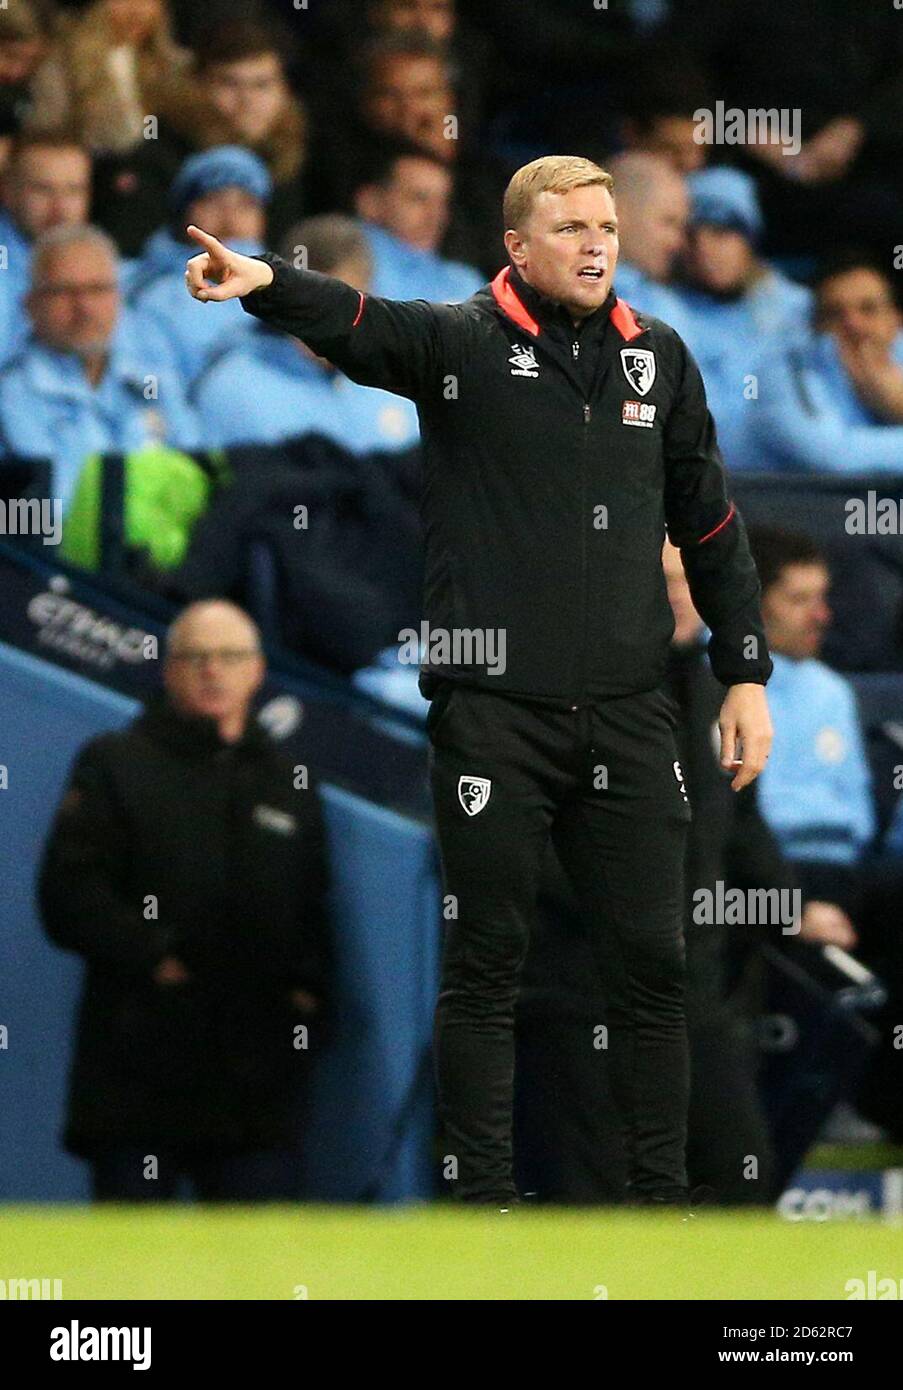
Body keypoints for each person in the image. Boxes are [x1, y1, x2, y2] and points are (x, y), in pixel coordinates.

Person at [185, 152, 774, 1209]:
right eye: (571, 228)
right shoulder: (459, 339)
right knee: (488, 959)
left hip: (635, 708)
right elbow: (361, 319)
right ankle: (482, 1206)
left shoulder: (662, 359)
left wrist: (744, 674)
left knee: (655, 962)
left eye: (606, 225)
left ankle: (663, 1206)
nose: (597, 243)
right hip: (493, 709)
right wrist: (265, 280)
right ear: (517, 245)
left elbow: (713, 522)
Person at [39, 599, 332, 1201]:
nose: (213, 671)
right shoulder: (115, 763)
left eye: (230, 657)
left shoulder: (289, 781)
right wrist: (155, 956)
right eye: (196, 657)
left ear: (257, 671)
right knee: (130, 1279)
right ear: (168, 669)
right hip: (138, 1073)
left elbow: (314, 915)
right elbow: (68, 893)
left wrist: (307, 1001)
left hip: (255, 1086)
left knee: (259, 1280)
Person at [0, 223, 197, 512]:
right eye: (65, 292)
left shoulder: (155, 381)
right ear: (32, 304)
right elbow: (56, 509)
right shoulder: (12, 397)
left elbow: (198, 474)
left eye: (98, 289)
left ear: (118, 297)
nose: (85, 308)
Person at [193, 215, 419, 452]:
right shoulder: (233, 391)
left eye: (358, 304)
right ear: (293, 297)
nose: (347, 322)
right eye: (332, 307)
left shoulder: (392, 383)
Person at [675, 167, 812, 472]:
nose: (704, 249)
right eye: (691, 235)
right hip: (728, 487)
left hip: (820, 482)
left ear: (749, 239)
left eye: (721, 232)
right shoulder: (669, 314)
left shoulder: (803, 308)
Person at [741, 253, 903, 475]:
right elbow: (834, 457)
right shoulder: (781, 375)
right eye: (835, 314)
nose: (853, 324)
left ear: (895, 319)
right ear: (815, 325)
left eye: (868, 309)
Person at [127, 145, 270, 382]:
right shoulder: (152, 295)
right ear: (186, 213)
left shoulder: (285, 287)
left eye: (245, 204)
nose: (229, 216)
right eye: (214, 201)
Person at [0, 132, 92, 366]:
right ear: (8, 192)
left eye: (73, 190)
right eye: (43, 189)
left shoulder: (109, 268)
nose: (60, 207)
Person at [352, 139, 483, 302]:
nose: (436, 215)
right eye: (419, 198)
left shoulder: (464, 281)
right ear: (370, 202)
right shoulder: (346, 257)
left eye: (443, 202)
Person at [605, 152, 697, 343]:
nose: (677, 242)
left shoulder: (665, 309)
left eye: (681, 228)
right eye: (668, 222)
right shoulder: (551, 291)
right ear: (616, 214)